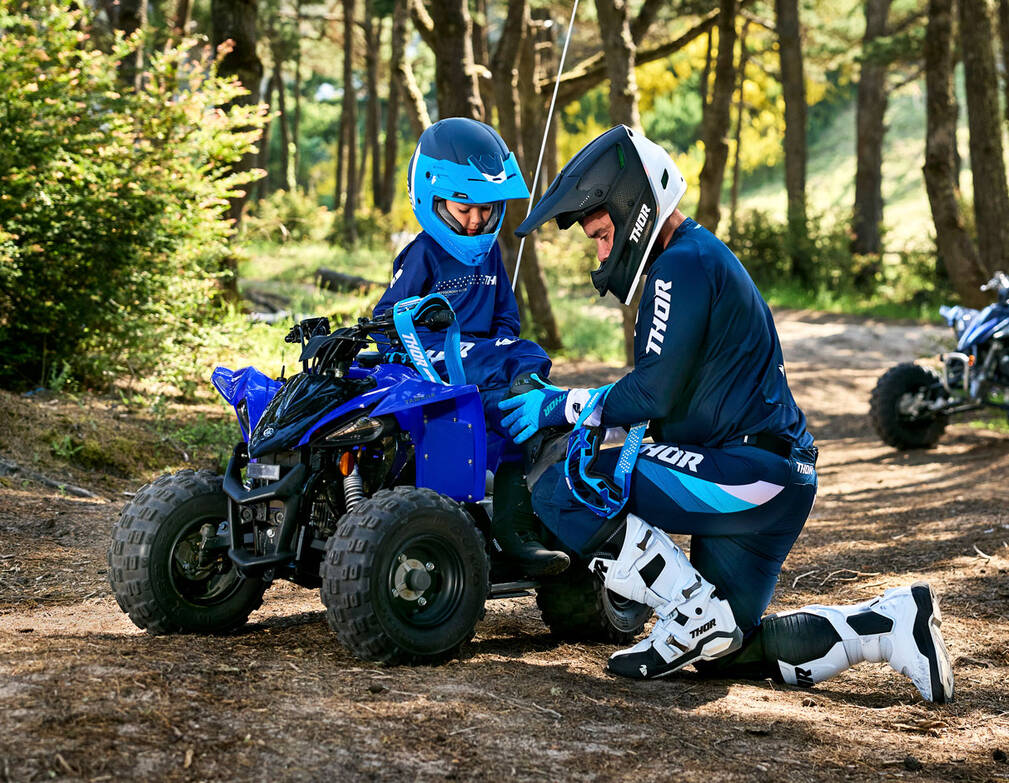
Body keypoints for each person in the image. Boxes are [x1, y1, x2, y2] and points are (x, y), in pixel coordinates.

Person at [499, 125, 953, 703]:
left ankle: (690, 613)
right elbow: (663, 403)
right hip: (771, 476)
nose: (603, 254)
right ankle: (889, 626)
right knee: (727, 653)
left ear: (633, 208)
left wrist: (559, 406)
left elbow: (653, 394)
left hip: (748, 474)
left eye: (604, 235)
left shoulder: (679, 266)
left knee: (572, 474)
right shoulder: (697, 258)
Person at [373, 117, 568, 576]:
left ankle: (517, 527)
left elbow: (506, 317)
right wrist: (419, 343)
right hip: (436, 356)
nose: (477, 220)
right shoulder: (423, 253)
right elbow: (386, 323)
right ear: (432, 199)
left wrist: (500, 349)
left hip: (486, 362)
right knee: (525, 360)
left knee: (531, 406)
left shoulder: (492, 252)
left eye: (486, 209)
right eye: (464, 209)